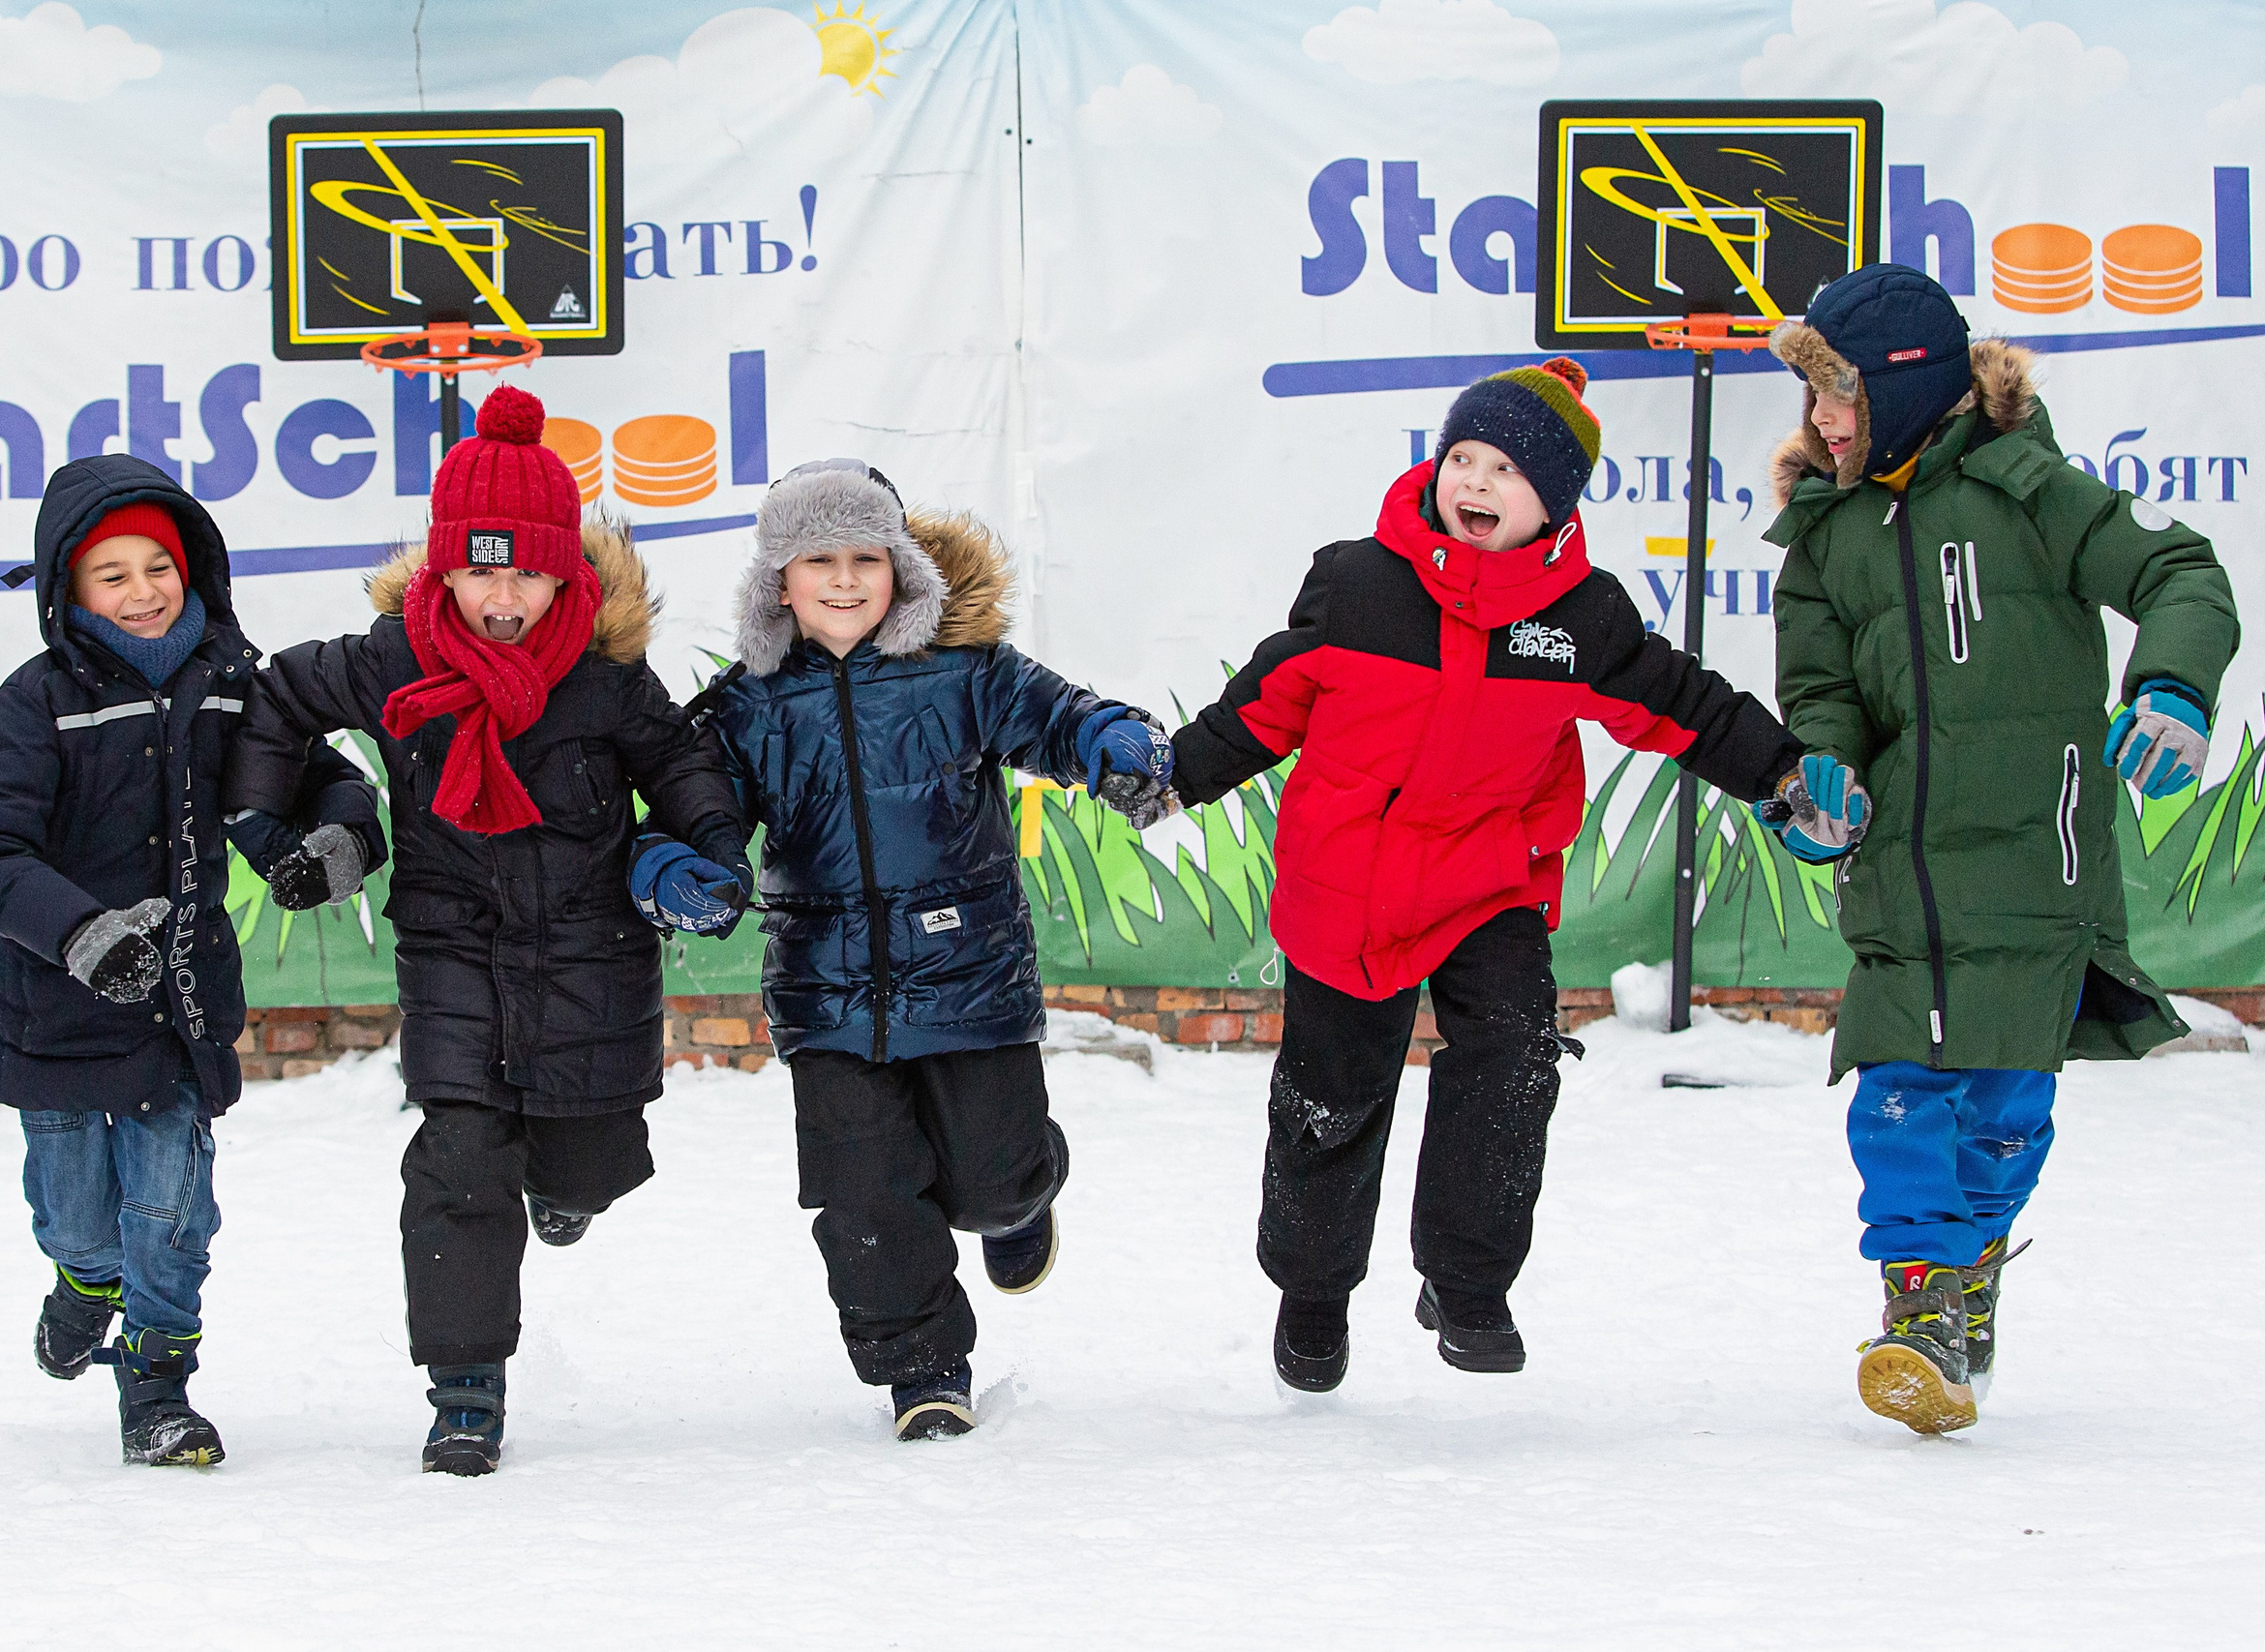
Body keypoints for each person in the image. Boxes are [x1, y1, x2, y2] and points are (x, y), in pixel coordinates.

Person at [1161, 358, 1808, 1394]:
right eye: (1461, 456)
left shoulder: (1579, 620)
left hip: (1485, 881)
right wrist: (1171, 777)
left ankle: (1466, 1283)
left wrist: (1780, 774)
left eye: (1503, 468)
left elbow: (1681, 703)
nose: (1472, 479)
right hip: (1350, 885)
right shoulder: (1359, 582)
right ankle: (1313, 1297)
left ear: (1550, 502)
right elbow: (1265, 704)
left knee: (1511, 1060)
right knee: (1331, 1099)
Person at [224, 385, 748, 1476]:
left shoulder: (606, 677)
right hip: (454, 946)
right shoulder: (391, 659)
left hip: (593, 952)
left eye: (524, 571)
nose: (500, 594)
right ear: (442, 569)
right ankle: (465, 1388)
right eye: (478, 568)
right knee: (458, 1159)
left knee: (593, 1161)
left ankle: (567, 1197)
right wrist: (268, 823)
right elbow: (278, 699)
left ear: (563, 570)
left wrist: (707, 854)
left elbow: (685, 766)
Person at [1765, 263, 2238, 1434]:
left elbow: (2180, 572)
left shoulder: (2034, 492)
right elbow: (1820, 694)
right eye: (1815, 395)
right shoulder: (1823, 537)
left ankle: (1969, 1268)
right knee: (1896, 1094)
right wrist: (1819, 779)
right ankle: (1920, 1303)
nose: (1823, 418)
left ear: (1910, 385)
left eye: (1842, 391)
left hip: (2040, 859)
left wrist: (2173, 688)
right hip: (1905, 872)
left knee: (2001, 1111)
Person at [649, 457, 1170, 1441]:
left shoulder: (965, 670)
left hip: (966, 972)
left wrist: (1111, 742)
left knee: (990, 1173)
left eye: (864, 557)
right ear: (778, 582)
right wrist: (678, 868)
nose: (843, 581)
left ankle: (1022, 1199)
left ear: (901, 571)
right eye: (818, 561)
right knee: (864, 1200)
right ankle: (923, 1371)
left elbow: (1060, 716)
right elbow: (687, 807)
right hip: (826, 991)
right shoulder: (745, 707)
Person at [0, 454, 387, 1468]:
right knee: (81, 1221)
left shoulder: (232, 684)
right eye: (115, 574)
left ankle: (155, 1382)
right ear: (69, 589)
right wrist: (81, 935)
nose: (144, 591)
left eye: (161, 566)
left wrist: (330, 845)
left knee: (171, 1217)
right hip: (55, 1012)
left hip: (176, 1011)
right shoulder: (38, 702)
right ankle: (82, 1283)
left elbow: (322, 780)